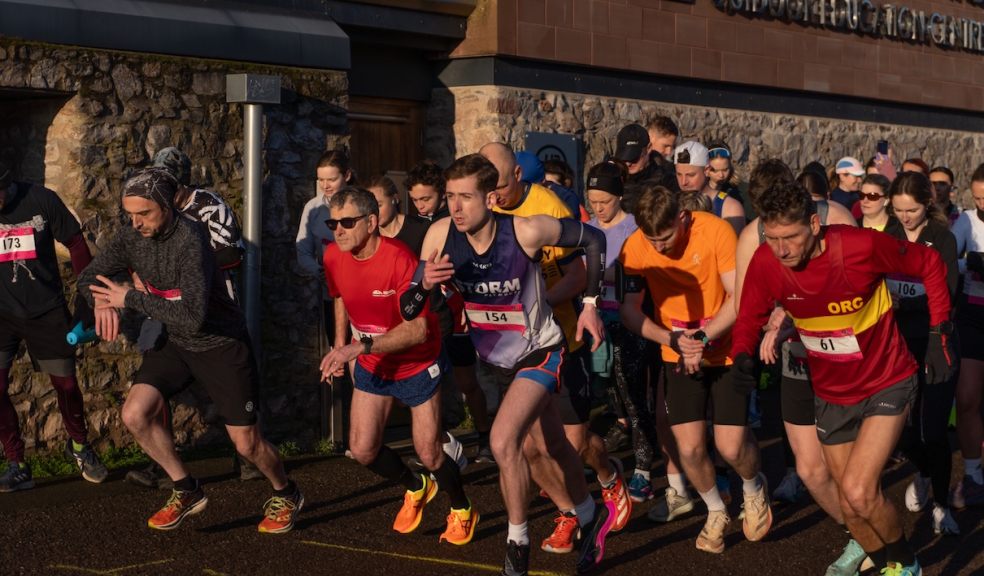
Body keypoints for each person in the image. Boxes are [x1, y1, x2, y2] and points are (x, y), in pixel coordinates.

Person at [733, 180, 954, 576]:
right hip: (833, 392)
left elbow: (930, 264)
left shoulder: (860, 246)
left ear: (815, 226)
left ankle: (907, 566)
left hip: (887, 378)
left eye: (790, 237)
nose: (780, 249)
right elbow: (748, 316)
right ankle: (890, 565)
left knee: (858, 490)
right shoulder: (767, 262)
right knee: (847, 503)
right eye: (772, 237)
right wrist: (742, 359)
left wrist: (939, 333)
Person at [407, 153, 614, 575]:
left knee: (504, 441)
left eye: (466, 197)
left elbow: (595, 240)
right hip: (501, 363)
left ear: (492, 198)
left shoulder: (526, 229)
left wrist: (590, 305)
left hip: (542, 352)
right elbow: (409, 306)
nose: (456, 207)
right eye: (450, 197)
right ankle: (592, 517)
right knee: (553, 446)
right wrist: (425, 283)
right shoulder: (439, 236)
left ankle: (516, 545)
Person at [79, 168, 302, 533]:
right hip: (177, 344)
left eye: (144, 213)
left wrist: (130, 298)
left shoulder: (191, 240)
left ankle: (287, 492)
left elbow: (193, 317)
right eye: (129, 214)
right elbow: (89, 275)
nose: (135, 223)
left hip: (220, 344)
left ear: (167, 206)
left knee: (247, 444)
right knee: (135, 414)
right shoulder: (131, 236)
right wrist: (100, 302)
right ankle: (186, 489)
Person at [480, 142, 632, 551]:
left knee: (573, 445)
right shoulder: (482, 210)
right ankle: (569, 513)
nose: (489, 194)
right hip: (521, 348)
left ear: (516, 175)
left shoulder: (547, 207)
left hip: (565, 338)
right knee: (528, 445)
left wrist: (539, 301)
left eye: (495, 184)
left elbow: (580, 275)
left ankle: (607, 474)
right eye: (483, 185)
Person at [318, 186, 477, 545]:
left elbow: (418, 330)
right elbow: (340, 296)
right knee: (362, 449)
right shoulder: (332, 255)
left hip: (417, 363)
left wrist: (358, 346)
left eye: (347, 222)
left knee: (430, 452)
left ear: (371, 222)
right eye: (333, 223)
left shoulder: (400, 260)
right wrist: (341, 345)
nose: (338, 230)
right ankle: (415, 486)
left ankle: (462, 507)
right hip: (373, 360)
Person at [620, 182, 771, 554]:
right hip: (678, 351)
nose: (659, 247)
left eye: (667, 237)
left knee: (730, 446)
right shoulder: (635, 246)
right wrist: (672, 340)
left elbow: (738, 300)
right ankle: (716, 510)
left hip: (726, 348)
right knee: (687, 449)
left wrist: (700, 337)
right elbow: (628, 311)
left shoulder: (715, 231)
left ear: (683, 218)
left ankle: (753, 489)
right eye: (651, 239)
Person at [126, 146, 258, 490]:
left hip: (212, 314)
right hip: (164, 311)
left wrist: (188, 266)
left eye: (164, 179)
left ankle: (248, 457)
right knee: (152, 385)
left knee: (232, 391)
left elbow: (232, 252)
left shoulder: (209, 205)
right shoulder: (152, 210)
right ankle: (165, 465)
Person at [0, 161, 108, 492]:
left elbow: (75, 243)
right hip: (2, 313)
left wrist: (88, 295)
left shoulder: (41, 200)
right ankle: (17, 464)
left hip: (46, 310)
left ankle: (78, 446)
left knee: (67, 386)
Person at [366, 174, 486, 467]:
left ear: (394, 199)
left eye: (378, 204)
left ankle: (485, 439)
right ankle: (442, 446)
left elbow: (455, 268)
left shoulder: (424, 230)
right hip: (405, 327)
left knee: (466, 383)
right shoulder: (373, 241)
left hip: (443, 319)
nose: (373, 213)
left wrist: (467, 307)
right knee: (413, 391)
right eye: (369, 206)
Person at [883, 172, 961, 536]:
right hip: (896, 345)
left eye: (911, 209)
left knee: (933, 432)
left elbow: (945, 293)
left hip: (935, 345)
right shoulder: (889, 235)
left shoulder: (942, 239)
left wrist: (903, 302)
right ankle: (925, 472)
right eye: (898, 210)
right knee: (900, 433)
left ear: (926, 204)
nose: (905, 217)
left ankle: (943, 507)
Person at [583, 161, 661, 504]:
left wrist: (600, 276)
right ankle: (617, 436)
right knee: (604, 391)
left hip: (628, 321)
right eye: (593, 200)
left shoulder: (634, 229)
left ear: (619, 197)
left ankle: (643, 468)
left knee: (632, 392)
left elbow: (641, 273)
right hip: (595, 322)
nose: (598, 208)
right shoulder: (585, 229)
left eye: (605, 201)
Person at [949, 163, 984, 509]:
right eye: (977, 198)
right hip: (973, 316)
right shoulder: (966, 221)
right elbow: (947, 258)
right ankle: (973, 473)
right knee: (968, 398)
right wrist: (970, 262)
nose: (982, 204)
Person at [296, 150, 353, 343]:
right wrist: (320, 271)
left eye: (331, 179)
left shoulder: (362, 202)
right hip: (331, 291)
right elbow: (302, 250)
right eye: (321, 180)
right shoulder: (312, 208)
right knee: (336, 344)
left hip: (361, 288)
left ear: (347, 175)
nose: (325, 186)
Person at [673, 141, 745, 234]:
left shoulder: (730, 208)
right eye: (679, 174)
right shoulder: (671, 203)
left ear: (707, 171)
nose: (683, 182)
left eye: (691, 175)